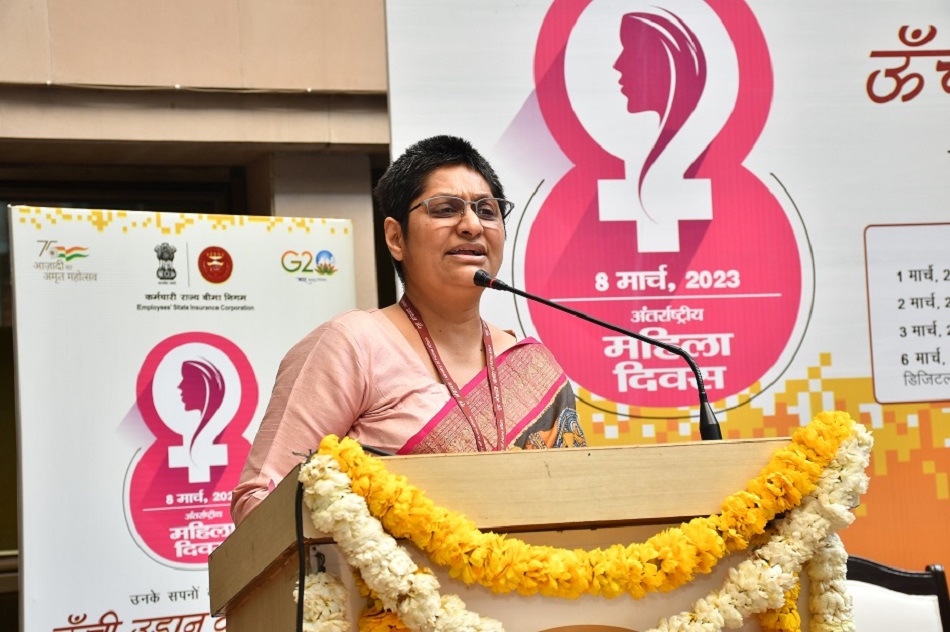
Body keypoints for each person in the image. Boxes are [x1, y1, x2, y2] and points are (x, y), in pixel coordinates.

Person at [230, 135, 586, 525]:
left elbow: (582, 499)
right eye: (446, 209)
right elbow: (260, 503)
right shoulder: (353, 345)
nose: (472, 225)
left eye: (487, 211)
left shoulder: (533, 366)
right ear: (396, 238)